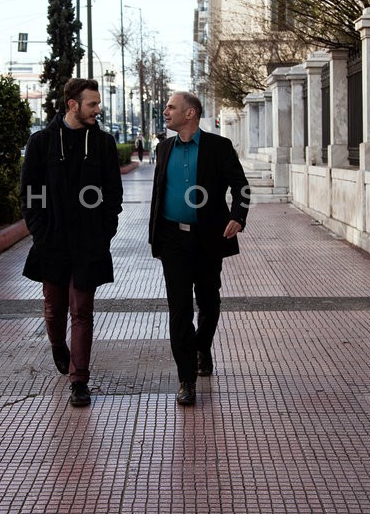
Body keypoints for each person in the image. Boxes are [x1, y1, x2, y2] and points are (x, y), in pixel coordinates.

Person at [20, 78, 124, 407]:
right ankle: (57, 345)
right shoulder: (41, 142)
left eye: (98, 104)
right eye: (92, 104)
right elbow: (30, 193)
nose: (98, 109)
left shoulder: (104, 143)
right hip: (51, 241)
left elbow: (113, 194)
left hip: (89, 242)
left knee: (82, 311)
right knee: (54, 309)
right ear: (72, 105)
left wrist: (104, 232)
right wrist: (40, 232)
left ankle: (80, 380)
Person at [148, 91, 250, 406]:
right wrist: (156, 237)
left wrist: (238, 217)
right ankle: (186, 379)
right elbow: (159, 192)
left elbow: (241, 186)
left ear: (190, 113)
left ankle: (202, 346)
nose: (166, 111)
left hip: (208, 238)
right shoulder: (164, 148)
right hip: (172, 240)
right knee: (179, 309)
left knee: (209, 302)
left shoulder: (219, 147)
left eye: (171, 107)